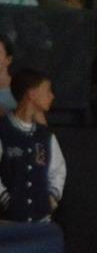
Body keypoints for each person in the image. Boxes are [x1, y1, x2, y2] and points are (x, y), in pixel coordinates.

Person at [0, 67, 64, 222]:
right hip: (8, 224)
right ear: (31, 94)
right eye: (47, 90)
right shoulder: (3, 131)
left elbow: (58, 170)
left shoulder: (45, 136)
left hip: (40, 222)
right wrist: (6, 200)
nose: (52, 96)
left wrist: (52, 198)